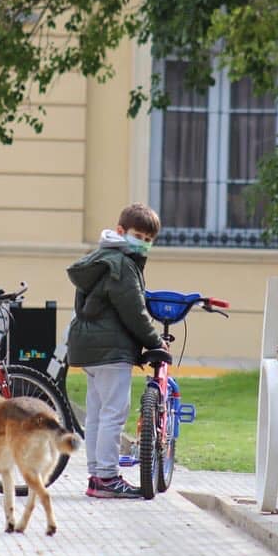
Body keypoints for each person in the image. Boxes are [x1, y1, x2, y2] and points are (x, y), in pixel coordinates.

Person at [66, 203, 166, 499]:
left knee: (97, 413)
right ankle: (108, 477)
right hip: (111, 351)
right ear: (121, 231)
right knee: (113, 414)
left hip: (91, 348)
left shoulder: (101, 258)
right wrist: (155, 343)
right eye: (139, 236)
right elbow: (133, 311)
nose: (144, 243)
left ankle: (97, 474)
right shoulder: (122, 264)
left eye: (149, 240)